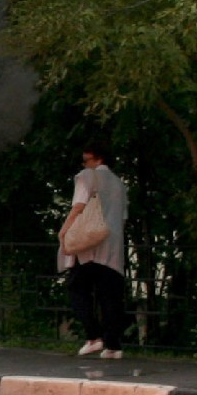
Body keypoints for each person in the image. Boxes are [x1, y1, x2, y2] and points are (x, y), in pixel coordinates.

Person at [58, 138, 129, 360]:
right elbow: (123, 216)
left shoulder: (88, 176)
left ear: (98, 159)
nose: (84, 164)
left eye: (86, 160)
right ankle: (113, 346)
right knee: (110, 296)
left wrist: (64, 231)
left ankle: (93, 337)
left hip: (89, 244)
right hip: (113, 246)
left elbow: (79, 206)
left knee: (77, 288)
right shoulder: (119, 183)